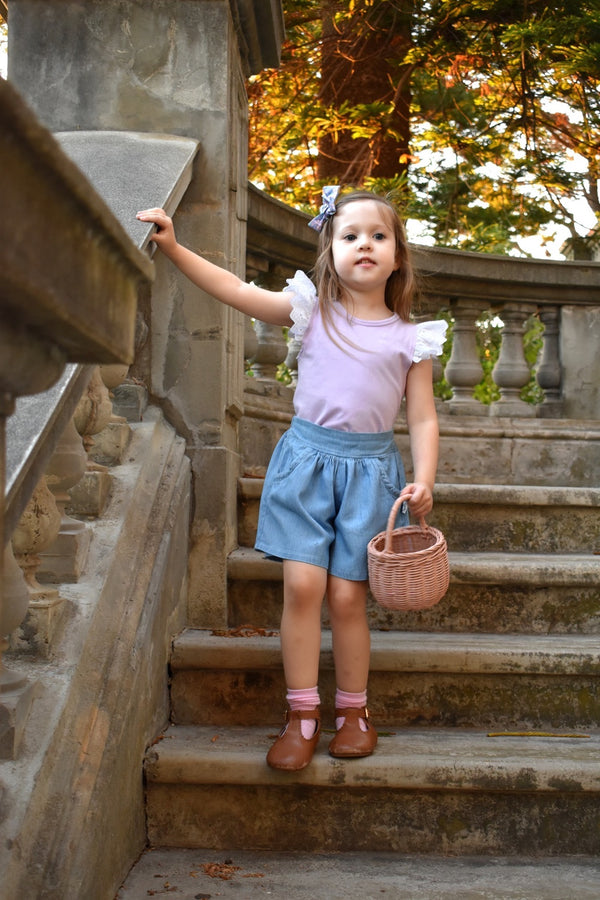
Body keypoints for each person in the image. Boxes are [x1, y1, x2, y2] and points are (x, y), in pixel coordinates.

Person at [136, 188, 447, 772]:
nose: (364, 246)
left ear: (398, 256)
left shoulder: (412, 338)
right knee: (303, 588)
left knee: (348, 597)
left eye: (378, 236)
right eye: (350, 235)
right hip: (306, 464)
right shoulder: (312, 310)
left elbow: (423, 416)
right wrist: (176, 249)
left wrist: (424, 479)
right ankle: (302, 715)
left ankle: (353, 713)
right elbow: (238, 291)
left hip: (372, 474)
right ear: (330, 249)